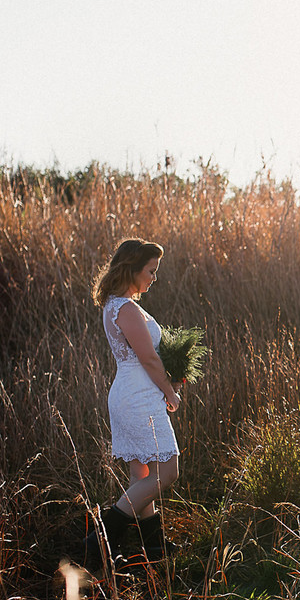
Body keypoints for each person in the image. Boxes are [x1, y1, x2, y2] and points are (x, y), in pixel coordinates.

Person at [82, 238, 182, 571]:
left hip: (132, 393)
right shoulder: (125, 308)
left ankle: (153, 545)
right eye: (151, 271)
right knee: (167, 472)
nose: (154, 278)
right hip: (138, 399)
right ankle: (100, 540)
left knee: (142, 472)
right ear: (133, 269)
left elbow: (148, 359)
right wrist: (170, 391)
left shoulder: (118, 304)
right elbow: (149, 359)